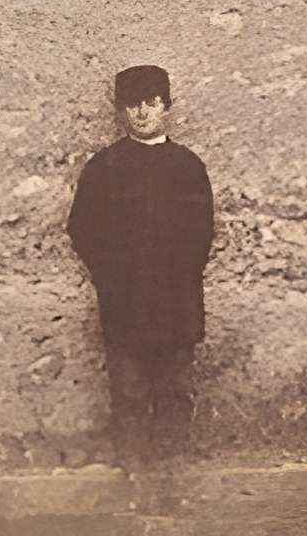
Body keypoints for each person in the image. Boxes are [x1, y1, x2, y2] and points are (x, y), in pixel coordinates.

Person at [67, 64, 215, 475]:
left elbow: (202, 232)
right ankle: (133, 475)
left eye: (151, 103)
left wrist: (181, 276)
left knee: (175, 388)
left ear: (166, 106)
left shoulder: (188, 167)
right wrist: (111, 277)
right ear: (122, 112)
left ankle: (171, 475)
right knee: (129, 390)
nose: (143, 113)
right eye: (133, 105)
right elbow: (81, 228)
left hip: (175, 300)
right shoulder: (103, 168)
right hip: (125, 301)